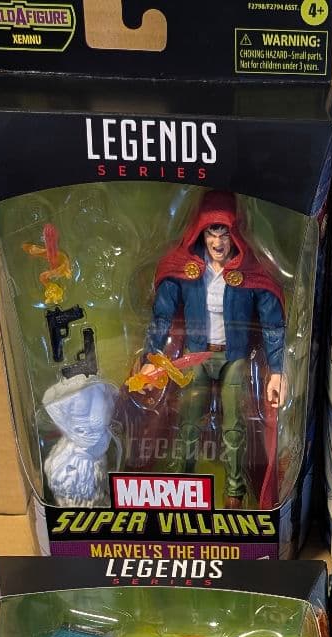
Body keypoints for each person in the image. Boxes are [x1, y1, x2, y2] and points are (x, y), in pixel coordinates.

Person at [133, 190, 286, 508]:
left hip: (234, 356)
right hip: (195, 354)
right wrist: (151, 357)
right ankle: (181, 487)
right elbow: (162, 316)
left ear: (236, 235)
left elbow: (272, 323)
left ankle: (235, 493)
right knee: (187, 422)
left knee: (234, 426)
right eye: (211, 233)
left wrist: (277, 370)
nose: (218, 242)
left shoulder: (249, 270)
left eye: (224, 233)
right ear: (200, 234)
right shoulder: (186, 269)